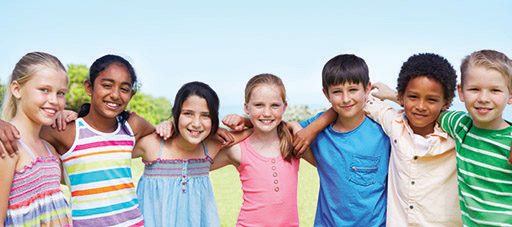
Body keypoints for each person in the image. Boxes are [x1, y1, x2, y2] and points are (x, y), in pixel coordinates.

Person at [38, 54, 155, 226]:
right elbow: (22, 133)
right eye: (107, 85)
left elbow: (164, 138)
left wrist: (168, 126)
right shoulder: (66, 130)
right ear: (89, 87)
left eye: (124, 89)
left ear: (131, 94)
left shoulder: (132, 126)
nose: (115, 95)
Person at [356, 53, 461, 225]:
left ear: (446, 102)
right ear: (402, 96)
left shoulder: (457, 137)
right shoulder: (394, 123)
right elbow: (360, 101)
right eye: (413, 97)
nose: (420, 106)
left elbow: (489, 129)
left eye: (431, 100)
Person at [292, 54, 391, 226]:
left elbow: (420, 114)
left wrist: (394, 95)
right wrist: (247, 123)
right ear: (326, 94)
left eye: (353, 90)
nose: (346, 99)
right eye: (337, 92)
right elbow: (276, 129)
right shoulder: (316, 127)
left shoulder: (384, 130)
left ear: (367, 88)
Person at [134, 81, 248, 226]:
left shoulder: (211, 147)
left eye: (205, 116)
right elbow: (113, 146)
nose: (196, 123)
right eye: (188, 113)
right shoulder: (153, 146)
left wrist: (244, 121)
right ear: (176, 114)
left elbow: (260, 129)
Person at [213, 74, 315, 226]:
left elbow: (327, 165)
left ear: (284, 107)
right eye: (259, 105)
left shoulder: (293, 143)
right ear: (246, 108)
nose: (267, 113)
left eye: (274, 105)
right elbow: (196, 163)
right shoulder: (237, 149)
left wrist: (295, 127)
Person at [439, 49, 512, 225]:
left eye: (495, 90)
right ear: (461, 92)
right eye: (474, 89)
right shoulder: (460, 126)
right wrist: (395, 97)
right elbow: (429, 111)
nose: (483, 98)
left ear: (510, 95)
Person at [0, 52, 72, 226]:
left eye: (60, 93)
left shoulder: (49, 148)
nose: (54, 100)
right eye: (44, 90)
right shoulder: (8, 146)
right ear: (17, 89)